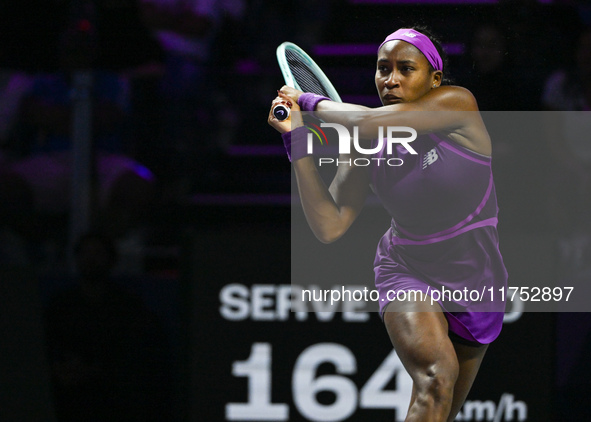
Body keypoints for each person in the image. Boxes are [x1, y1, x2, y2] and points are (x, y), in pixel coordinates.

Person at [269, 27, 508, 422]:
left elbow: (364, 123)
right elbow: (331, 225)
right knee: (436, 378)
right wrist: (297, 144)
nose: (390, 79)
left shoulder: (457, 103)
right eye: (383, 69)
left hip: (477, 277)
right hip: (407, 268)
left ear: (434, 78)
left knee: (439, 410)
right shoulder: (367, 141)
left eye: (405, 69)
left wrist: (309, 101)